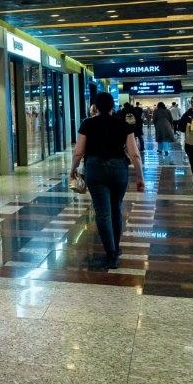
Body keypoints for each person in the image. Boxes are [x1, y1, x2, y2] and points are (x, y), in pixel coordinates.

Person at [70, 92, 145, 268]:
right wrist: (140, 177)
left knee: (103, 213)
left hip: (95, 169)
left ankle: (110, 253)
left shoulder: (88, 123)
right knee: (115, 209)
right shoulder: (123, 123)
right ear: (113, 106)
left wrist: (72, 170)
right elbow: (134, 153)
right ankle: (116, 248)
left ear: (96, 107)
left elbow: (78, 152)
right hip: (119, 169)